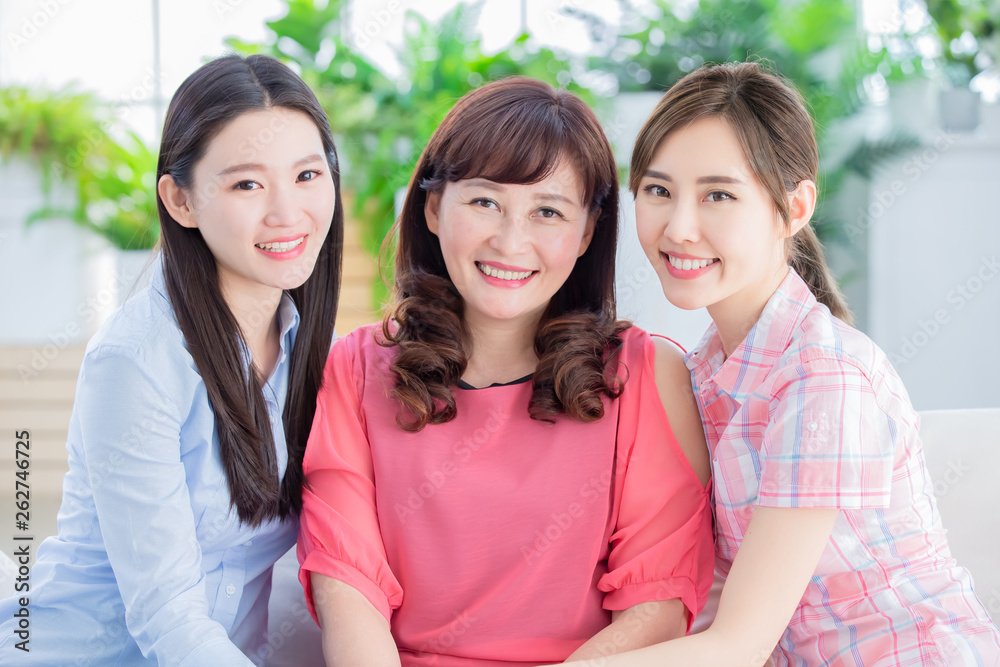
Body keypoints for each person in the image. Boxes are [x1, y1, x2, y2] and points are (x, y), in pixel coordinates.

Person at [563, 62, 1000, 666]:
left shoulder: (824, 376)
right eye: (659, 191)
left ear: (793, 208)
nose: (679, 227)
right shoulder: (702, 372)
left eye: (719, 195)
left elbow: (737, 645)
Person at [296, 76, 715, 666]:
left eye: (547, 211)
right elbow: (347, 582)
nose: (510, 241)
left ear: (587, 232)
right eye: (485, 201)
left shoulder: (645, 372)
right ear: (434, 207)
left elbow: (657, 606)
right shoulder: (357, 366)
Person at [0, 54, 344, 665]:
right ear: (181, 202)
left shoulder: (308, 346)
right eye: (246, 183)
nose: (287, 213)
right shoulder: (135, 361)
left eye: (307, 176)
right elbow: (168, 613)